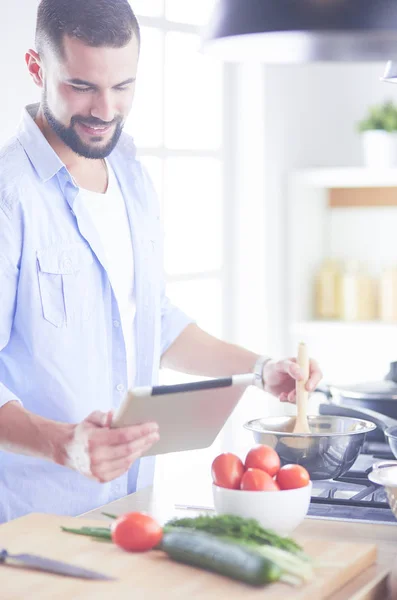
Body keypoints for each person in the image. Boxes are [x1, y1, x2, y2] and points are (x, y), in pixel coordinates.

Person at [0, 0, 322, 523]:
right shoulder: (9, 197)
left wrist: (261, 370)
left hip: (131, 509)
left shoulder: (131, 176)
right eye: (82, 86)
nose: (105, 110)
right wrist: (63, 444)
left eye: (123, 86)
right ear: (37, 68)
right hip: (31, 524)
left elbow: (153, 320)